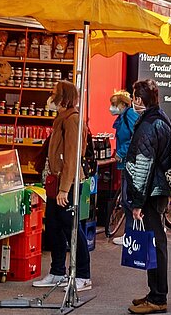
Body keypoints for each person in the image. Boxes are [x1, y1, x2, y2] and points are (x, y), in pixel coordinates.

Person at [122, 79, 171, 314]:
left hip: (151, 192)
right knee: (156, 242)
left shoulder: (148, 125)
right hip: (158, 190)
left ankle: (157, 297)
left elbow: (143, 165)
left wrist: (137, 202)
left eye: (135, 96)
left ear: (138, 99)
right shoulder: (161, 118)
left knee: (154, 243)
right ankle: (155, 292)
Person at [32, 80, 90, 292]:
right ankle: (57, 271)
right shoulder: (61, 119)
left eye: (54, 93)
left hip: (67, 183)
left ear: (63, 97)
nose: (50, 96)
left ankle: (83, 274)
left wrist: (64, 188)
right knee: (55, 226)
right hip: (57, 181)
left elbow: (72, 157)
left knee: (71, 228)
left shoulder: (72, 120)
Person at [101, 90, 139, 243]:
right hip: (126, 163)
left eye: (114, 104)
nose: (111, 108)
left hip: (130, 162)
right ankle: (130, 233)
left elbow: (134, 137)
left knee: (128, 199)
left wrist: (121, 152)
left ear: (123, 104)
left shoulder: (129, 115)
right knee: (126, 199)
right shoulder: (124, 116)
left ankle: (132, 235)